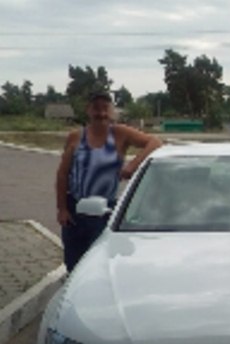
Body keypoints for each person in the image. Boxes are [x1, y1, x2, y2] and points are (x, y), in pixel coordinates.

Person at [56, 89, 163, 272]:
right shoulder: (75, 137)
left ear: (112, 111)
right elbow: (62, 174)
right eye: (96, 108)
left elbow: (155, 142)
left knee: (101, 264)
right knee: (74, 265)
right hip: (75, 212)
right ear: (88, 110)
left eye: (105, 108)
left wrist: (133, 165)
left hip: (104, 213)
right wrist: (62, 209)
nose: (101, 113)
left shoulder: (120, 133)